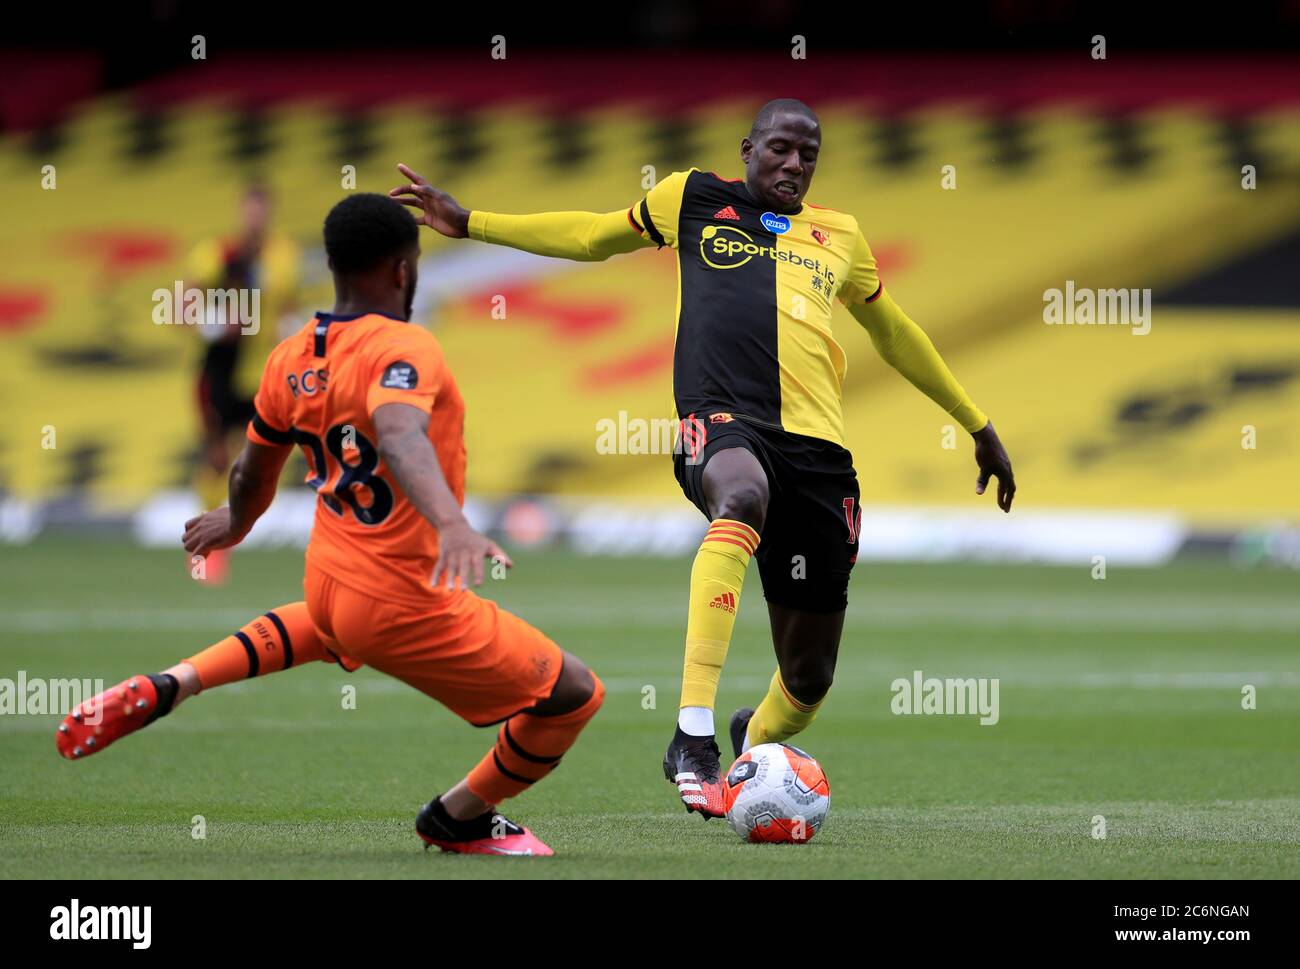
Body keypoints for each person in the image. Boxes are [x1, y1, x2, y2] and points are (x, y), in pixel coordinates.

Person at [388, 98, 1016, 819]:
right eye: (781, 148)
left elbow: (895, 332)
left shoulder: (839, 235)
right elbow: (594, 237)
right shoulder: (690, 198)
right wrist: (470, 222)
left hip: (818, 456)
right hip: (718, 422)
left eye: (809, 155)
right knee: (740, 495)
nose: (794, 164)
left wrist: (976, 422)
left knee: (809, 676)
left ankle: (755, 739)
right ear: (749, 147)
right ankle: (693, 734)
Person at [57, 194, 604, 856]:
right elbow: (400, 434)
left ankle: (176, 681)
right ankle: (459, 815)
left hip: (329, 580)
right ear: (403, 270)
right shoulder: (406, 345)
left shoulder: (290, 355)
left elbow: (251, 469)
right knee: (573, 691)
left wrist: (236, 521)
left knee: (329, 626)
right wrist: (454, 524)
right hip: (401, 601)